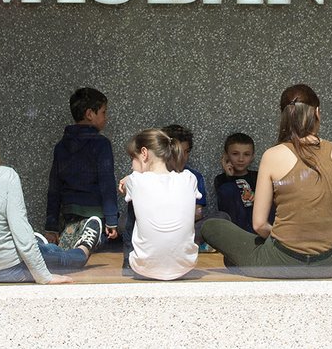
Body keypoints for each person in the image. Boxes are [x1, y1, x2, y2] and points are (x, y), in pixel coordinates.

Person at [201, 84, 332, 279]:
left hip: (283, 261)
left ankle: (249, 262)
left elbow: (259, 225)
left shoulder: (273, 155)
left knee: (212, 225)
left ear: (284, 116)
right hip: (331, 263)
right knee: (246, 251)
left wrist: (287, 237)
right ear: (318, 113)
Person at [0, 122, 100, 284]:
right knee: (61, 258)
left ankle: (40, 243)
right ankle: (84, 248)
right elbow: (22, 234)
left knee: (46, 249)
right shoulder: (5, 175)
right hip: (10, 270)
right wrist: (44, 278)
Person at [45, 87, 119, 248]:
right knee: (93, 253)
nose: (106, 118)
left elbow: (54, 187)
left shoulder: (61, 146)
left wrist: (51, 225)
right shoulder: (101, 144)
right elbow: (107, 182)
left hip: (69, 215)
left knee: (71, 249)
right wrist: (112, 219)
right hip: (96, 216)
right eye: (104, 112)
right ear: (90, 114)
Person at [121, 129, 200, 280]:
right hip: (185, 266)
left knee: (131, 206)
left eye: (133, 158)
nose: (132, 166)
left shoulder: (135, 180)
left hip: (143, 268)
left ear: (144, 153)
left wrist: (126, 181)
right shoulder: (189, 178)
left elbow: (126, 185)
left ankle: (127, 262)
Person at [214, 132, 257, 234]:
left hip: (256, 223)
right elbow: (227, 205)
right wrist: (229, 176)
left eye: (246, 154)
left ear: (252, 157)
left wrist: (258, 199)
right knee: (227, 189)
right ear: (226, 156)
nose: (241, 159)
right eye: (235, 154)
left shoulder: (257, 176)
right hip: (236, 226)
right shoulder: (221, 179)